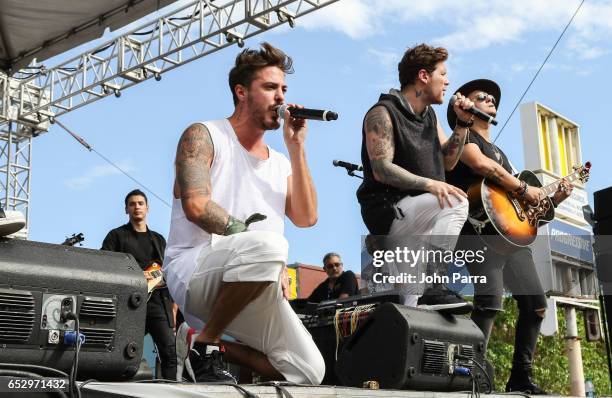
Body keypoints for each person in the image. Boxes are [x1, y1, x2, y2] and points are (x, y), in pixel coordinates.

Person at [163, 42, 325, 384]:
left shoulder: (281, 162)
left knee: (308, 371)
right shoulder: (204, 135)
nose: (280, 97)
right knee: (270, 245)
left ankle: (197, 341)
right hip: (195, 271)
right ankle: (206, 345)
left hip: (254, 281)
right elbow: (195, 205)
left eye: (283, 89)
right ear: (241, 92)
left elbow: (307, 218)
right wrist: (264, 252)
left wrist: (297, 147)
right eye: (269, 87)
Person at [445, 78, 573, 394]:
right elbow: (479, 164)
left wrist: (551, 201)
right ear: (467, 109)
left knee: (536, 306)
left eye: (492, 97)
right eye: (482, 96)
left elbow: (522, 215)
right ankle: (470, 377)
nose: (490, 99)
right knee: (488, 302)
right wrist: (524, 188)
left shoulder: (503, 154)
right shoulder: (465, 139)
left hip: (509, 239)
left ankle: (521, 377)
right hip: (477, 232)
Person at [356, 43, 475, 313]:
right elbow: (381, 168)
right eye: (442, 74)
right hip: (391, 211)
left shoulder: (430, 117)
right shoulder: (383, 112)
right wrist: (430, 184)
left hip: (419, 215)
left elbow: (448, 160)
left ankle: (426, 299)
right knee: (456, 201)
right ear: (423, 76)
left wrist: (463, 124)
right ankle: (436, 284)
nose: (448, 81)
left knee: (415, 305)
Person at [101, 189, 177, 380]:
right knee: (120, 352)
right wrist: (137, 275)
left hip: (159, 304)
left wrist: (174, 308)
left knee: (170, 353)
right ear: (126, 209)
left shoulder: (158, 240)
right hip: (130, 305)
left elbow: (170, 271)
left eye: (140, 203)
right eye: (132, 204)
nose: (137, 207)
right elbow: (105, 267)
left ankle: (170, 392)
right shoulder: (116, 236)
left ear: (147, 208)